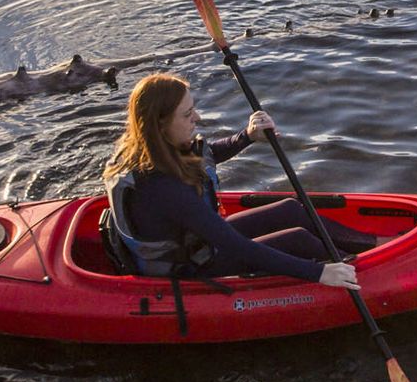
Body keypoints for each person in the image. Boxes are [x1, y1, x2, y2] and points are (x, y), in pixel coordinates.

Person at [101, 73, 371, 289]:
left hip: (195, 243)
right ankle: (359, 272)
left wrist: (248, 136)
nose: (196, 118)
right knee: (297, 240)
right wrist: (319, 273)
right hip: (188, 267)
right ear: (160, 124)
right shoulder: (162, 188)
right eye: (187, 114)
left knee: (289, 209)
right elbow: (236, 246)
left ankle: (376, 245)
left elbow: (206, 154)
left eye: (193, 109)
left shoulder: (151, 147)